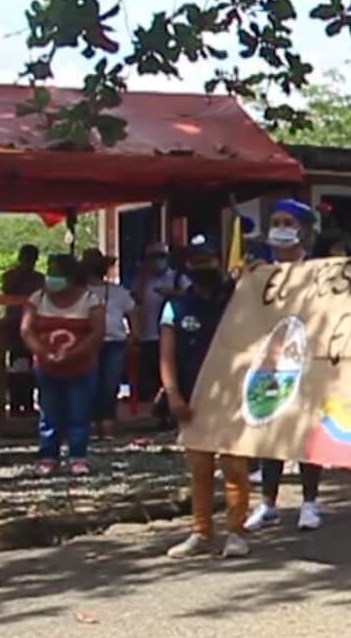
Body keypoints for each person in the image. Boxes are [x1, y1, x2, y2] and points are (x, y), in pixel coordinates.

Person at [245, 200, 336, 533]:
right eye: (276, 221)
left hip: (308, 362)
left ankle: (309, 503)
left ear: (303, 230)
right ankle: (268, 504)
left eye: (288, 222)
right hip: (268, 362)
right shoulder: (258, 272)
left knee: (305, 432)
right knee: (271, 433)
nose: (280, 228)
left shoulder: (318, 271)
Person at [161, 234, 254, 559]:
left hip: (232, 397)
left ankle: (236, 531)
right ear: (187, 266)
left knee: (234, 468)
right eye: (196, 262)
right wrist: (173, 394)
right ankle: (201, 532)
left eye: (208, 260)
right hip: (192, 399)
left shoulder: (237, 299)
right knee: (199, 470)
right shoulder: (175, 306)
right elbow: (166, 355)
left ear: (219, 261)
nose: (203, 267)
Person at [22, 253, 102, 477]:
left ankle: (77, 456)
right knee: (49, 414)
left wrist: (74, 354)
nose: (51, 277)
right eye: (50, 272)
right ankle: (48, 456)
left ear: (70, 276)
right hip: (46, 367)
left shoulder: (90, 300)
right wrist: (42, 352)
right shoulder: (37, 298)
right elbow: (27, 330)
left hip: (81, 367)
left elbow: (97, 332)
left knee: (79, 413)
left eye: (56, 273)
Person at [81, 249, 135, 440]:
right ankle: (91, 426)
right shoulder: (79, 292)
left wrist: (132, 336)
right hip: (88, 343)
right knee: (89, 384)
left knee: (109, 386)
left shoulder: (118, 291)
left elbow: (132, 313)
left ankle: (106, 425)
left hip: (114, 342)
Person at [134, 241, 185, 430]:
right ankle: (159, 415)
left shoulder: (178, 277)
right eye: (152, 257)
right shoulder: (142, 280)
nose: (157, 261)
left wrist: (172, 293)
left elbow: (190, 296)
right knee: (152, 378)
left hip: (173, 335)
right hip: (148, 334)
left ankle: (170, 413)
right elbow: (135, 301)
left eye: (161, 256)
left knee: (172, 376)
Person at [0, 244, 43, 416]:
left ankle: (29, 403)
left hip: (34, 326)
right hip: (14, 326)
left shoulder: (39, 278)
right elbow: (7, 290)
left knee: (32, 368)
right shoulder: (11, 276)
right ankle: (16, 405)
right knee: (17, 367)